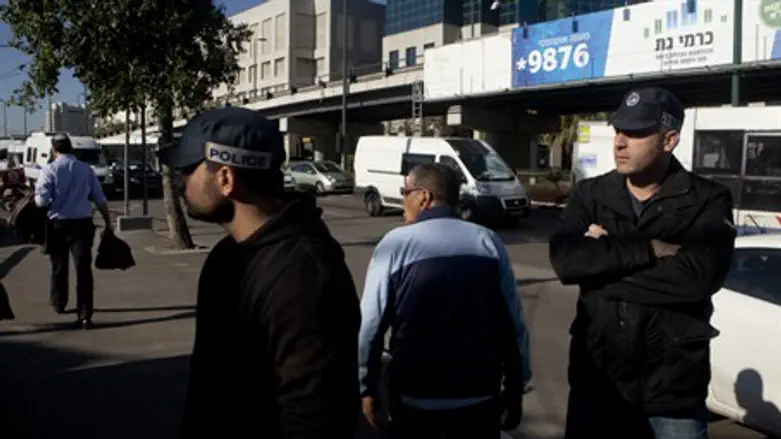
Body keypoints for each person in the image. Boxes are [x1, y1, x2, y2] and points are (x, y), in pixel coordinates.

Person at [156, 107, 360, 438]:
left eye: (188, 170)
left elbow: (314, 417)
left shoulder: (303, 274)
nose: (181, 181)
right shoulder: (226, 257)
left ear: (225, 179)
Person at [549, 87, 736, 439]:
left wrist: (600, 266)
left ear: (669, 140)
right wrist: (647, 249)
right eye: (619, 130)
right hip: (598, 383)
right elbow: (565, 262)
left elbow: (697, 279)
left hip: (672, 392)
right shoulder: (591, 194)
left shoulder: (707, 199)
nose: (620, 142)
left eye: (635, 133)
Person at [358, 163, 530, 439]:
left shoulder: (395, 245)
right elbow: (513, 324)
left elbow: (370, 326)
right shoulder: (488, 241)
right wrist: (515, 387)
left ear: (423, 197)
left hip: (415, 396)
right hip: (479, 397)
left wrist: (365, 388)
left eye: (405, 192)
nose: (403, 202)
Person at [34, 133, 112, 329]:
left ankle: (59, 303)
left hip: (58, 225)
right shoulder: (86, 170)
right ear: (71, 148)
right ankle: (85, 314)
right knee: (83, 269)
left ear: (54, 150)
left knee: (58, 266)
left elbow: (41, 201)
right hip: (83, 224)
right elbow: (99, 198)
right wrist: (108, 222)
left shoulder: (49, 170)